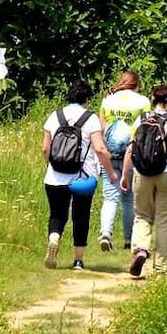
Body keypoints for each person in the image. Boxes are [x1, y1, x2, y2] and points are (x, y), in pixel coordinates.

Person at [41, 80, 111, 272]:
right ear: (87, 99)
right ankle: (78, 261)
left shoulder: (54, 116)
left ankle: (54, 237)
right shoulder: (91, 118)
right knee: (81, 216)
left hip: (54, 177)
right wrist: (110, 172)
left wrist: (51, 165)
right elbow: (99, 148)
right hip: (82, 178)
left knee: (57, 214)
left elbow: (45, 147)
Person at [121, 84, 167, 278]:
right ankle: (163, 266)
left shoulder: (140, 120)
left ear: (152, 99)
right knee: (165, 220)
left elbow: (130, 150)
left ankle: (141, 249)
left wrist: (125, 175)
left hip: (142, 174)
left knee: (142, 215)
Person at [97, 70, 148, 252]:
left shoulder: (107, 101)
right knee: (128, 199)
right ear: (137, 84)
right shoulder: (143, 102)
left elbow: (102, 128)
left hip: (110, 155)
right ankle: (128, 239)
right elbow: (145, 128)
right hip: (132, 154)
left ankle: (105, 233)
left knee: (110, 197)